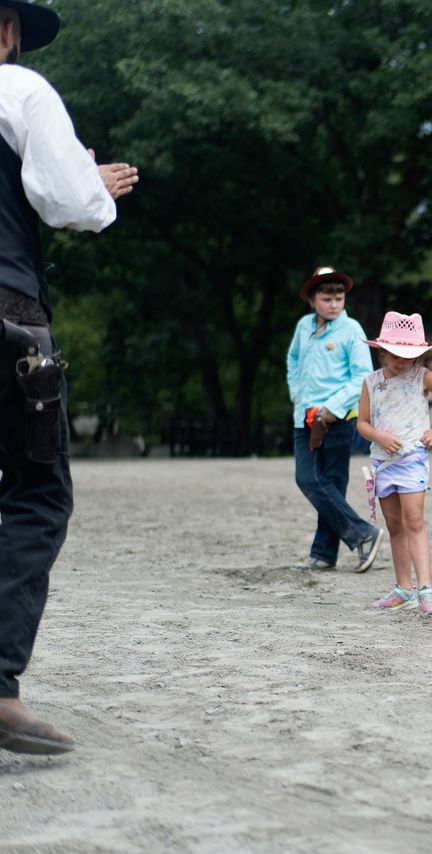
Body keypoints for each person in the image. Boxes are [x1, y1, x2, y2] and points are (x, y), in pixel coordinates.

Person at [0, 0, 140, 756]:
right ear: (9, 29)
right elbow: (65, 201)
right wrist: (95, 189)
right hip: (8, 316)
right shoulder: (19, 91)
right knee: (36, 493)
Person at [357, 311, 432, 615]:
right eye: (393, 354)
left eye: (407, 355)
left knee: (414, 520)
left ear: (418, 354)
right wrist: (378, 435)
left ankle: (425, 588)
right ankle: (402, 588)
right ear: (382, 351)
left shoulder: (423, 377)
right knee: (394, 526)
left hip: (413, 458)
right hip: (382, 461)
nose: (400, 361)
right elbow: (362, 424)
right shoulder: (371, 382)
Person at [287, 266, 385, 573]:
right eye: (326, 298)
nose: (333, 304)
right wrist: (294, 391)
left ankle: (323, 554)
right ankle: (362, 534)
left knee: (332, 484)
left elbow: (361, 377)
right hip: (304, 415)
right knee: (308, 478)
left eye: (338, 298)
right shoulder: (304, 326)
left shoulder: (352, 329)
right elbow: (293, 360)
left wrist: (333, 407)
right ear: (312, 300)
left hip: (339, 419)